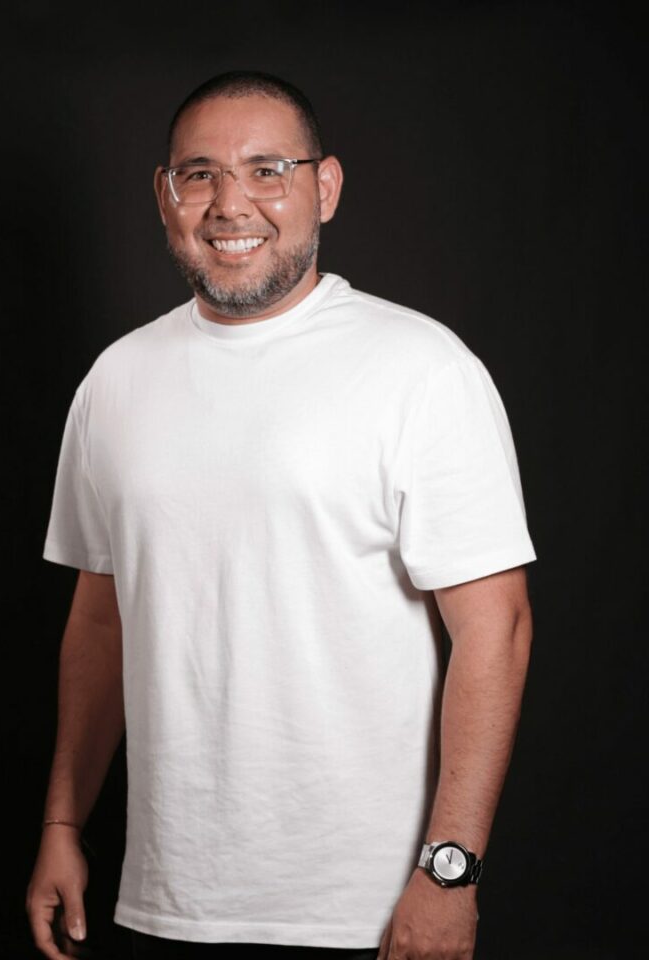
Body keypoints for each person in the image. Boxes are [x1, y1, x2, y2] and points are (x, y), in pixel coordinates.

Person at [26, 71, 536, 960]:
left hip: (366, 911)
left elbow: (498, 630)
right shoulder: (115, 381)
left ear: (324, 187)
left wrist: (450, 872)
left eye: (268, 170)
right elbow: (102, 622)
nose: (231, 205)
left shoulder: (422, 369)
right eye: (200, 174)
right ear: (166, 194)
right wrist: (62, 822)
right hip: (165, 899)